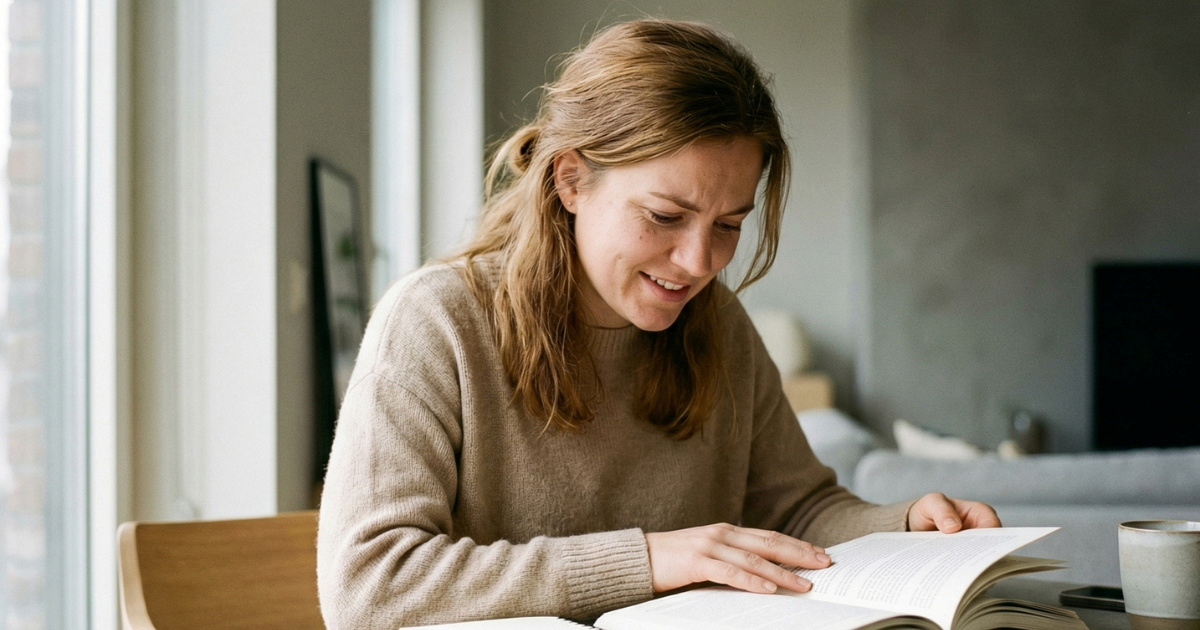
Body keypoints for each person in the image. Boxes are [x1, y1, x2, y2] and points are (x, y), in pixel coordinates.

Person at [316, 18, 1000, 629]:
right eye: (665, 217)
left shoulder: (718, 326)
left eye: (729, 225)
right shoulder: (436, 321)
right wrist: (648, 559)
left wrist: (902, 525)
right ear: (571, 180)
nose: (699, 262)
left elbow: (797, 511)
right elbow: (371, 587)